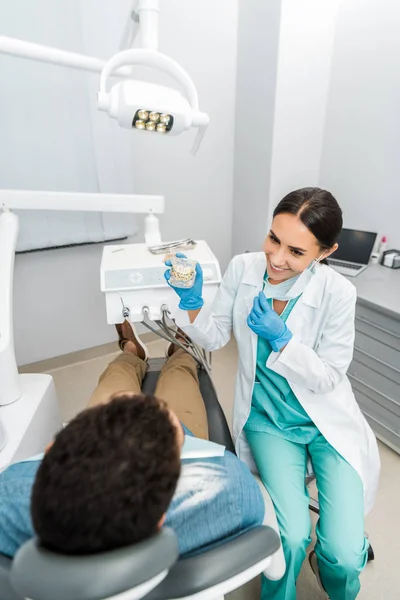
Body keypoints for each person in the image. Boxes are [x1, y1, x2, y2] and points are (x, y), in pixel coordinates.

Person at [167, 187, 381, 600]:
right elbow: (214, 338)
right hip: (269, 422)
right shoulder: (244, 268)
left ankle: (333, 579)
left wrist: (284, 341)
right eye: (273, 239)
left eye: (296, 252)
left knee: (345, 554)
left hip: (325, 424)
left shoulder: (338, 293)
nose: (277, 258)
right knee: (291, 533)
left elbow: (329, 376)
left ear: (324, 252)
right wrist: (192, 304)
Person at [0, 322, 265, 559]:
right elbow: (236, 485)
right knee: (180, 377)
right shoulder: (233, 494)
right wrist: (175, 430)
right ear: (161, 519)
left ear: (49, 451)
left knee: (116, 380)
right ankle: (181, 351)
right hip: (178, 441)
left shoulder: (6, 505)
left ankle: (130, 353)